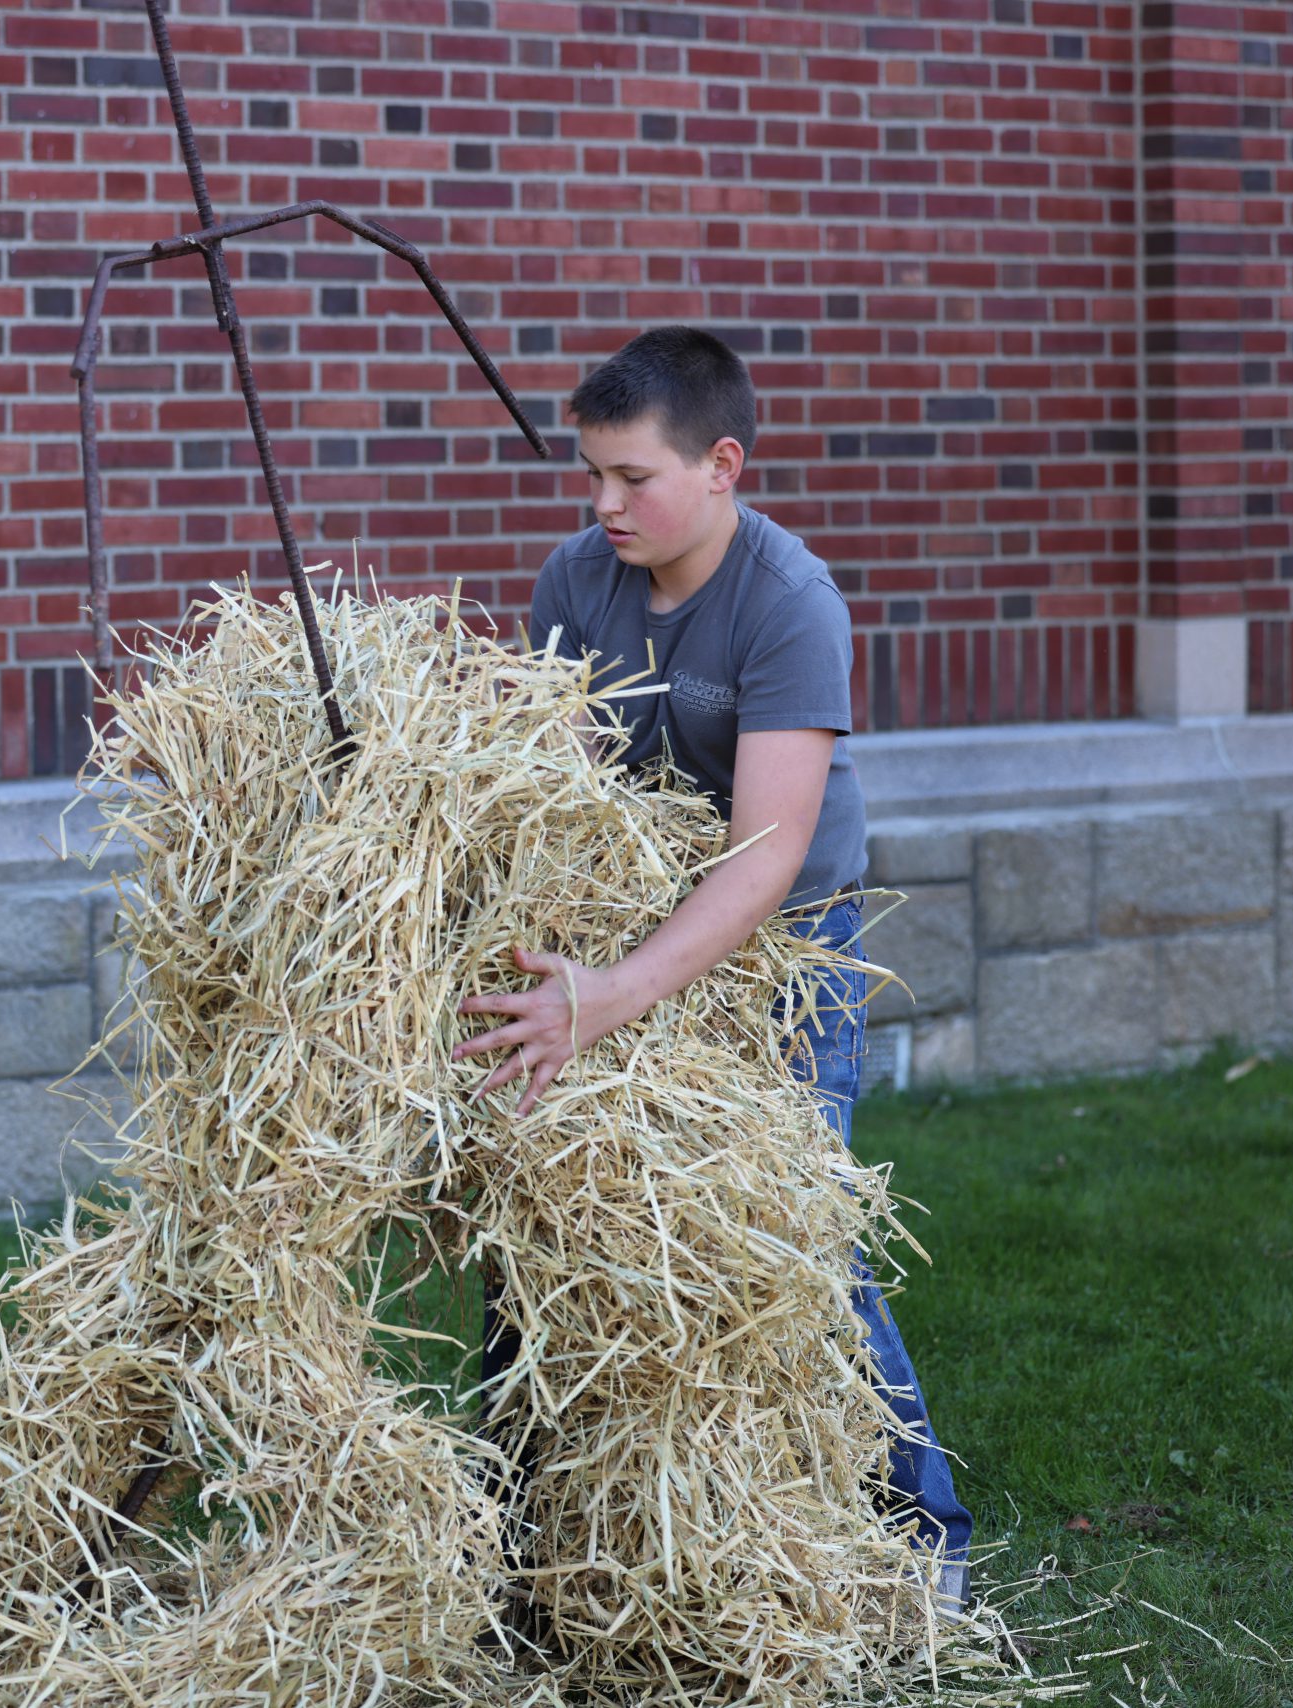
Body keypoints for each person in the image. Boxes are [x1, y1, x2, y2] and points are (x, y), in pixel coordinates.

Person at [449, 325, 973, 1618]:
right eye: (591, 475)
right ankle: (517, 1539)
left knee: (792, 1235)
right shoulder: (579, 579)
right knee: (550, 1220)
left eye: (632, 477)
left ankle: (924, 1536)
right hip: (621, 928)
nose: (602, 504)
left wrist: (610, 997)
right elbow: (560, 796)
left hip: (784, 951)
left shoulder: (787, 600)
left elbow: (761, 860)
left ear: (723, 463)